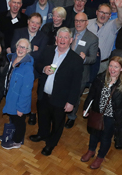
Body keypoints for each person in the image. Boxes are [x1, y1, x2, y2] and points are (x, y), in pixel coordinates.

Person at [30, 28, 83, 156]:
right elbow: (37, 64)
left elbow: (77, 84)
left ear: (71, 40)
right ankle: (42, 134)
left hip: (61, 98)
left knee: (57, 123)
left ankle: (51, 144)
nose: (62, 40)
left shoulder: (76, 59)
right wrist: (43, 68)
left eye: (66, 38)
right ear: (56, 39)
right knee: (43, 117)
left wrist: (71, 102)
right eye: (60, 37)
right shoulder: (48, 50)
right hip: (43, 95)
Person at [65, 13, 100, 129]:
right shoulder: (68, 32)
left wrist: (85, 58)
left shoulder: (92, 38)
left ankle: (71, 116)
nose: (78, 23)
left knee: (74, 96)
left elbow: (93, 58)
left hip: (80, 73)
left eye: (81, 21)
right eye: (76, 20)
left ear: (87, 22)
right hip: (65, 71)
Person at [1, 38, 35, 149]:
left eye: (24, 48)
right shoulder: (13, 58)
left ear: (28, 50)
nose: (21, 49)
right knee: (12, 118)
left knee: (19, 121)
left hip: (19, 100)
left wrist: (21, 108)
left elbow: (26, 91)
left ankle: (17, 141)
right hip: (11, 96)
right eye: (19, 46)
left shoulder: (28, 69)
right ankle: (11, 134)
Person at [87, 0, 122, 74]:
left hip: (102, 65)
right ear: (97, 12)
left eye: (106, 13)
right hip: (87, 62)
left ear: (110, 16)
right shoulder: (87, 23)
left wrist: (119, 7)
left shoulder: (113, 25)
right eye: (101, 12)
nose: (103, 15)